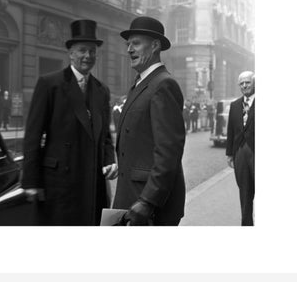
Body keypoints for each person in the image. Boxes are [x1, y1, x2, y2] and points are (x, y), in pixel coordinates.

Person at [22, 19, 117, 226]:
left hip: (92, 180)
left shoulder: (101, 90)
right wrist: (31, 180)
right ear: (71, 53)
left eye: (92, 51)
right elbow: (33, 134)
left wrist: (109, 160)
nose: (88, 56)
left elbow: (106, 136)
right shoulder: (50, 84)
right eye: (82, 50)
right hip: (59, 181)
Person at [113, 16, 186, 226]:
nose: (129, 49)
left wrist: (148, 201)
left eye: (136, 43)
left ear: (154, 46)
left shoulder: (163, 85)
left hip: (149, 204)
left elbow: (168, 151)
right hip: (132, 194)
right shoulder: (142, 83)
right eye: (128, 44)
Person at [226, 71, 255, 226]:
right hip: (240, 154)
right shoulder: (235, 105)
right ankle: (247, 225)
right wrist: (230, 154)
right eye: (241, 83)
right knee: (244, 193)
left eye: (248, 82)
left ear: (254, 82)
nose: (244, 85)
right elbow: (231, 130)